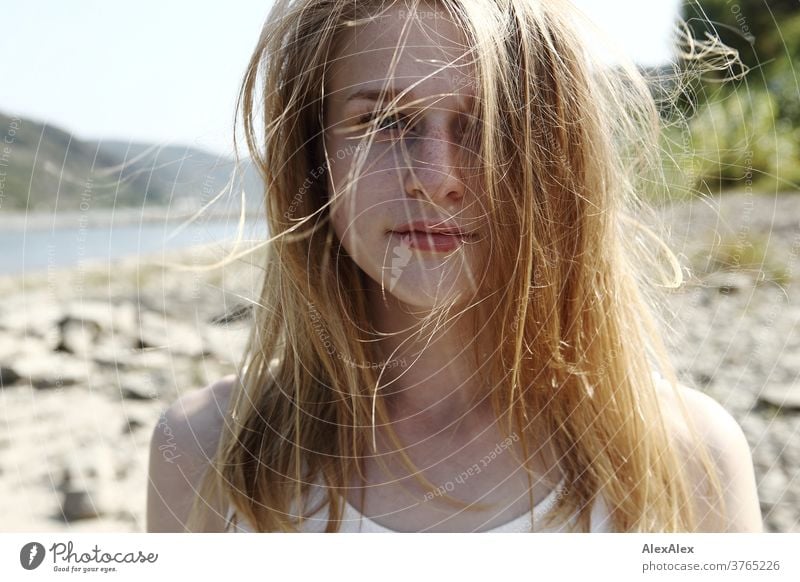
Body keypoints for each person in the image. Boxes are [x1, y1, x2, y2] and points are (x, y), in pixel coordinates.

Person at [146, 0, 762, 533]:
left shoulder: (683, 458)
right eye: (383, 121)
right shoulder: (208, 455)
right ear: (315, 158)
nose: (437, 178)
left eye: (491, 125)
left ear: (559, 162)